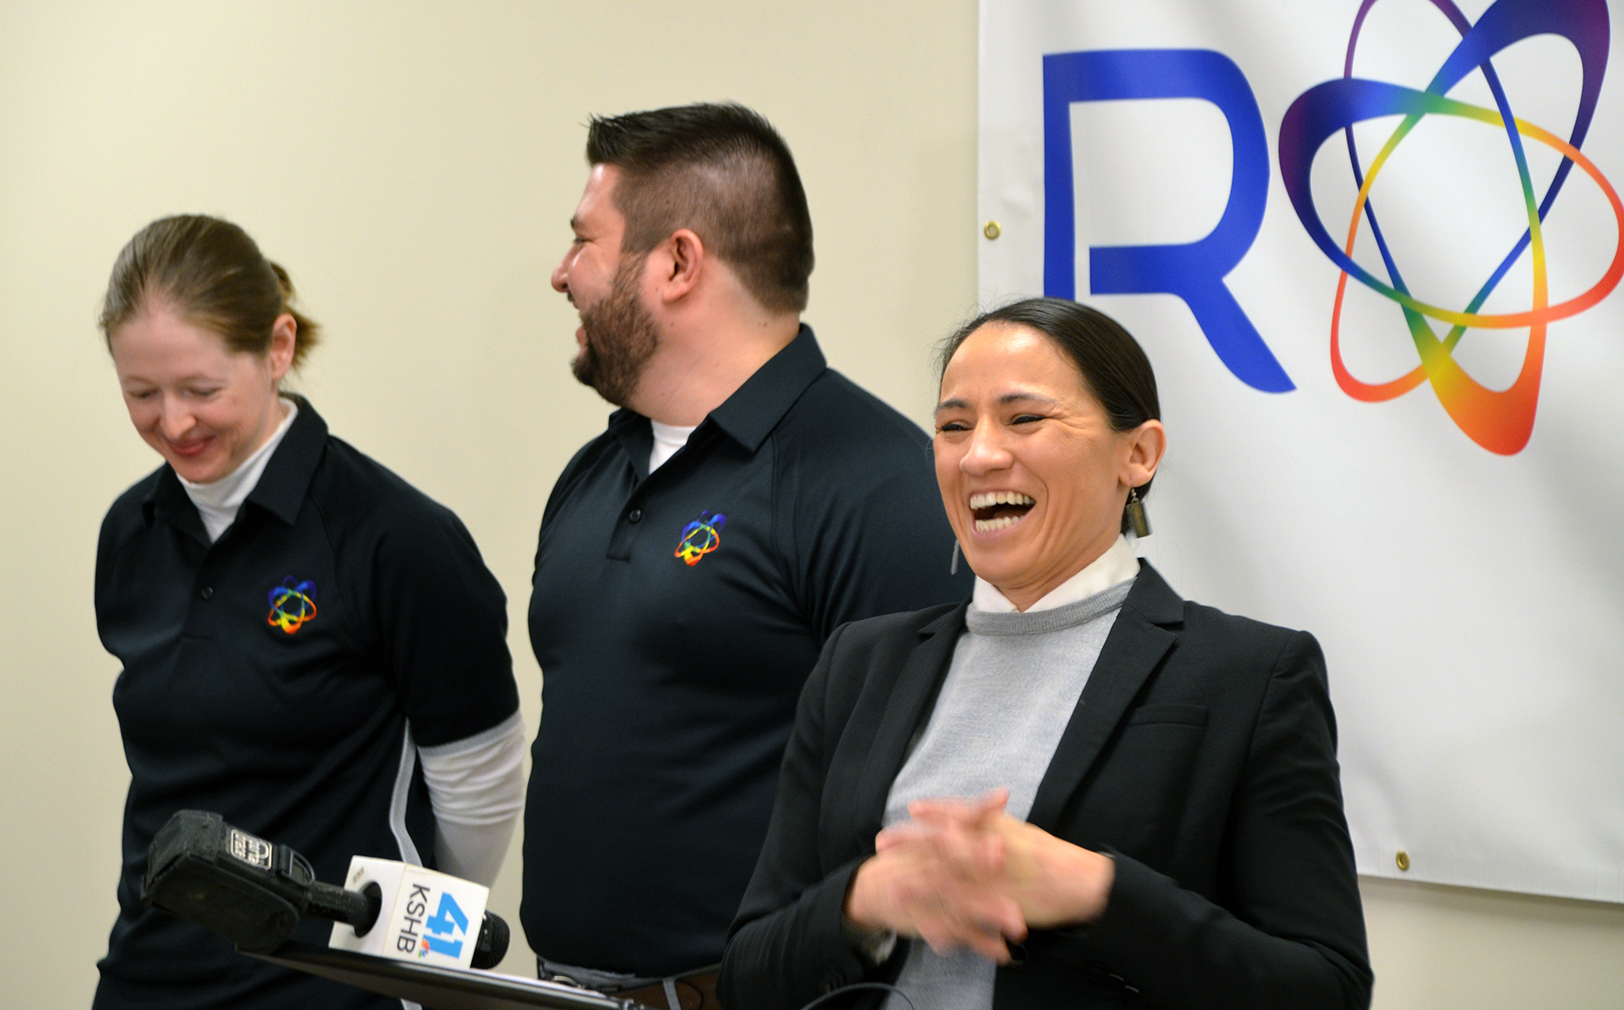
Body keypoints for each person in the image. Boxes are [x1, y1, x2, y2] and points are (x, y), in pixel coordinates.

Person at [720, 297, 1374, 1010]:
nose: (979, 455)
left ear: (1138, 453)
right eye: (952, 426)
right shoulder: (859, 661)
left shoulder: (1252, 675)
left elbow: (1327, 989)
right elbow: (747, 978)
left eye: (1025, 418)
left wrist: (1095, 891)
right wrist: (864, 901)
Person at [522, 102, 972, 1006]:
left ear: (678, 263)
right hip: (562, 990)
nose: (561, 273)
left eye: (585, 242)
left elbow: (926, 805)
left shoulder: (877, 485)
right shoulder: (593, 473)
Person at [93, 215, 525, 1010]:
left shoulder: (394, 538)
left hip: (329, 988)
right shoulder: (130, 533)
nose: (174, 422)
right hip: (152, 976)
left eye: (201, 389)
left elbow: (482, 784)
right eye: (141, 393)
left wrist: (412, 963)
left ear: (278, 347)